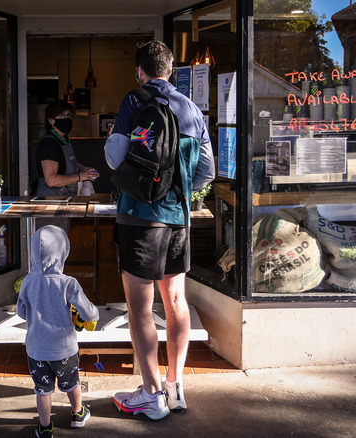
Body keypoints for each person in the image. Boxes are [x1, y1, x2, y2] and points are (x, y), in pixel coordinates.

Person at [104, 40, 215, 420]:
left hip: (139, 218)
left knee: (140, 309)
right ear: (170, 70)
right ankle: (174, 386)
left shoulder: (134, 103)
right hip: (178, 220)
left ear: (140, 71)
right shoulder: (191, 109)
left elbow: (115, 157)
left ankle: (151, 395)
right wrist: (178, 187)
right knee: (176, 303)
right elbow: (207, 172)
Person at [17, 225, 100, 437]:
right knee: (72, 383)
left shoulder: (27, 281)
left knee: (42, 390)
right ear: (63, 252)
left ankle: (45, 428)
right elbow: (89, 314)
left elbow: (21, 312)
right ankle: (78, 414)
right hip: (65, 350)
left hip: (36, 349)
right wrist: (93, 313)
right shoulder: (68, 283)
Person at [35, 100, 99, 197]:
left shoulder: (64, 140)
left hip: (65, 198)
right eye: (62, 116)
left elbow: (66, 163)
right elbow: (51, 180)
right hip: (50, 200)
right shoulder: (49, 144)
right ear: (51, 120)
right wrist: (80, 176)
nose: (67, 119)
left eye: (69, 115)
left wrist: (86, 169)